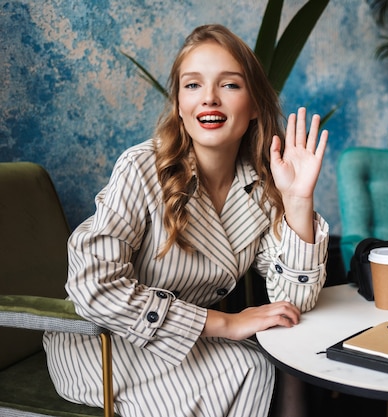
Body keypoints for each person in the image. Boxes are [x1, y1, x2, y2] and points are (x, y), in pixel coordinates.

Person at [43, 24, 329, 417]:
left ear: (256, 105)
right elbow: (93, 287)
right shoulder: (141, 166)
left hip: (187, 343)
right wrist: (226, 324)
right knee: (250, 367)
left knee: (271, 366)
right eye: (192, 85)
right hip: (101, 343)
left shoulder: (262, 185)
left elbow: (293, 303)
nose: (209, 98)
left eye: (229, 85)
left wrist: (298, 201)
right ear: (178, 103)